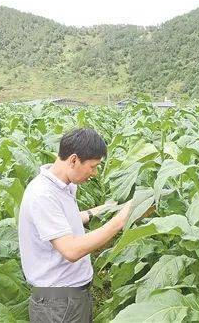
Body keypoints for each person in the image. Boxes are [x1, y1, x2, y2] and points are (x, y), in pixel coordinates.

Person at [18, 128, 134, 323]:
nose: (95, 173)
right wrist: (121, 220)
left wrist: (100, 210)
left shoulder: (61, 186)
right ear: (73, 160)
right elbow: (71, 250)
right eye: (93, 166)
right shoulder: (43, 194)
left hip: (68, 297)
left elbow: (61, 222)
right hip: (58, 303)